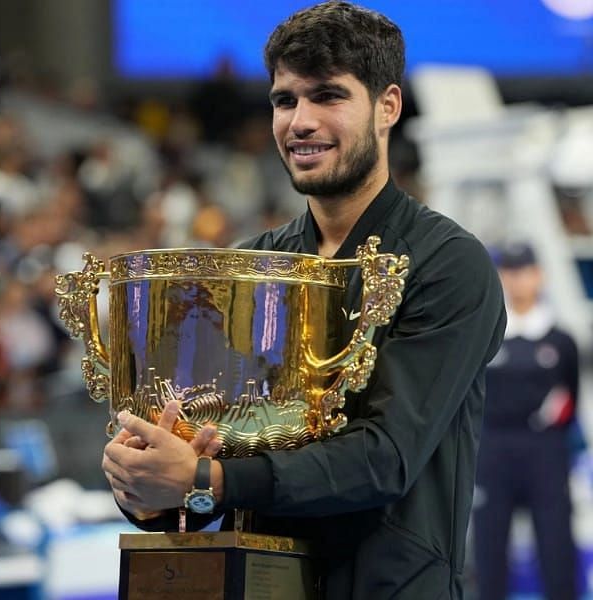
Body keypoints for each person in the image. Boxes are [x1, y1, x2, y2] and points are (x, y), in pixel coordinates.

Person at [101, 2, 507, 598]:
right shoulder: (249, 265)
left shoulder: (447, 263)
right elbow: (209, 454)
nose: (301, 121)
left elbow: (385, 457)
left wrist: (207, 478)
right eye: (285, 100)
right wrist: (148, 480)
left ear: (387, 107)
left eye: (328, 96)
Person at [474, 244, 580, 600]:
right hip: (493, 449)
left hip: (544, 450)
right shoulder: (487, 337)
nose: (518, 280)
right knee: (489, 543)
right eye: (511, 272)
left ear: (539, 275)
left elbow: (570, 396)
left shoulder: (560, 341)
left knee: (555, 543)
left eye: (525, 271)